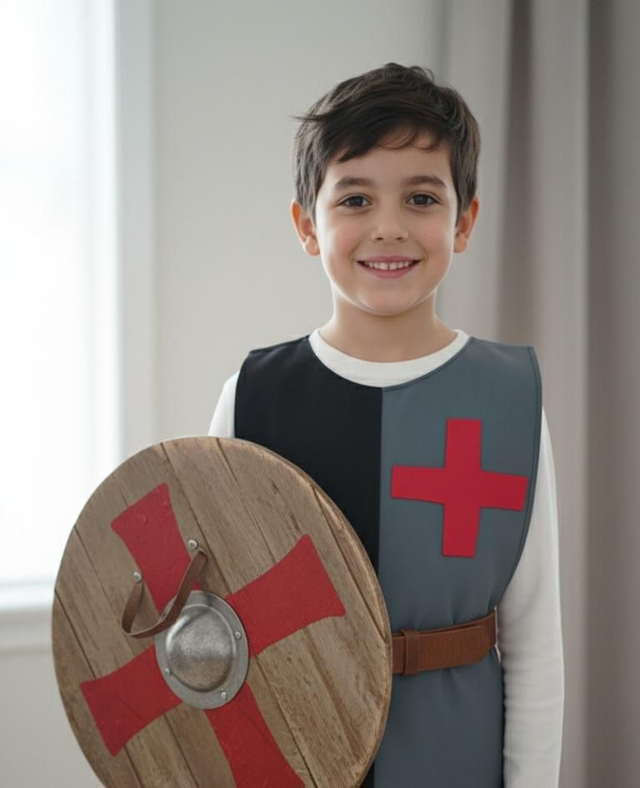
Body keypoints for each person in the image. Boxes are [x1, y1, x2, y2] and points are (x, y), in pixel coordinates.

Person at [208, 62, 564, 788]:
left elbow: (534, 647)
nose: (389, 227)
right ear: (308, 225)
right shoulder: (250, 399)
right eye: (356, 199)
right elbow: (218, 627)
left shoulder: (510, 400)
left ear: (464, 221)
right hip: (295, 754)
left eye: (422, 197)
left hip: (454, 759)